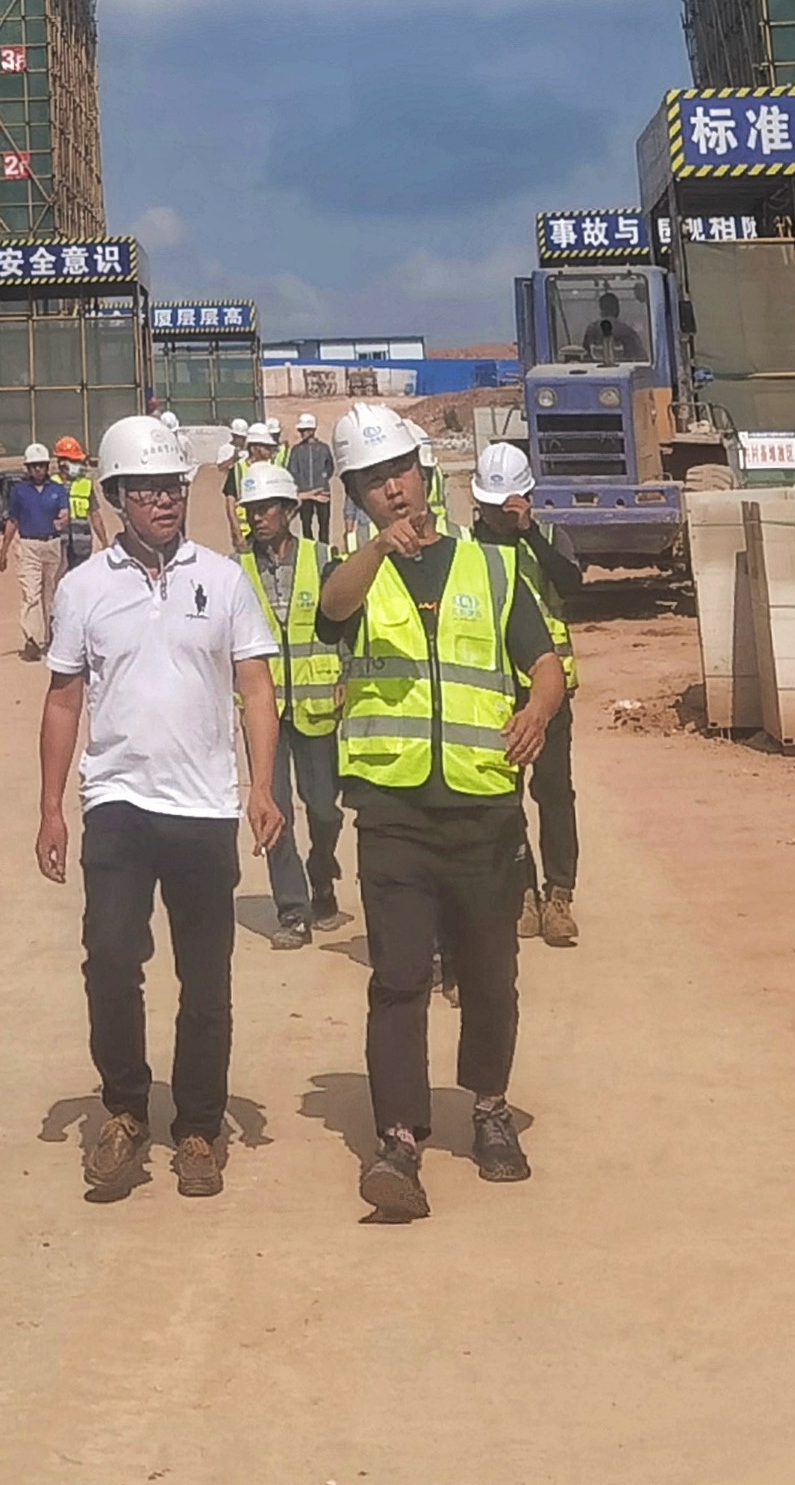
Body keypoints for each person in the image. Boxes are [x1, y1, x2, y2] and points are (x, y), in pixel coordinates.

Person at [314, 402, 565, 1223]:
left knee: (490, 973)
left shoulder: (491, 568)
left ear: (422, 473)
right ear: (355, 495)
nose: (391, 489)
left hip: (482, 807)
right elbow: (333, 610)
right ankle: (397, 1139)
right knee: (398, 978)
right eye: (371, 481)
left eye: (398, 472)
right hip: (392, 811)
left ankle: (488, 1109)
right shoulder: (357, 573)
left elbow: (543, 661)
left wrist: (538, 709)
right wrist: (376, 550)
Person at [36, 416, 282, 1203]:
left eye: (172, 485)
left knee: (205, 975)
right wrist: (50, 808)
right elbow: (63, 699)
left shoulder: (224, 579)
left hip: (203, 805)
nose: (164, 499)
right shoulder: (83, 588)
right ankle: (124, 1109)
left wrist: (262, 787)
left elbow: (255, 688)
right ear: (116, 496)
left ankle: (199, 1126)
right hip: (117, 800)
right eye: (145, 489)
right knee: (110, 956)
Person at [468, 442, 585, 948]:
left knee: (554, 793)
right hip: (495, 692)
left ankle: (559, 894)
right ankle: (521, 893)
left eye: (507, 507)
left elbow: (572, 585)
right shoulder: (467, 548)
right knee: (503, 798)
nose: (499, 517)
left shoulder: (550, 538)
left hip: (551, 691)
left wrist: (529, 532)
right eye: (491, 508)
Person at [236, 458, 347, 945]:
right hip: (264, 712)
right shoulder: (236, 570)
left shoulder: (323, 559)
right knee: (274, 805)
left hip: (318, 705)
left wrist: (347, 674)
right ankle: (293, 910)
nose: (258, 518)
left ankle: (322, 870)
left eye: (266, 508)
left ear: (288, 510)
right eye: (252, 510)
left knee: (324, 808)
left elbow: (346, 620)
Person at [0, 441, 71, 661]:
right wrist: (3, 551)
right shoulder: (19, 492)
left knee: (51, 594)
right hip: (28, 545)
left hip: (52, 545)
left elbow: (65, 513)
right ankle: (32, 639)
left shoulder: (57, 490)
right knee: (31, 594)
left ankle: (50, 638)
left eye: (41, 465)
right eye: (34, 466)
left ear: (47, 467)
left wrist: (63, 520)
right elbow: (13, 520)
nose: (38, 469)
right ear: (28, 468)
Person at [56, 436, 105, 568]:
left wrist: (104, 543)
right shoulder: (52, 484)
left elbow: (95, 516)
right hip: (58, 545)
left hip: (82, 544)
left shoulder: (85, 484)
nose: (78, 465)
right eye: (74, 461)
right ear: (62, 463)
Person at [288, 413, 335, 546]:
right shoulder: (296, 450)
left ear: (312, 430)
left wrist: (322, 479)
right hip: (305, 494)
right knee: (306, 525)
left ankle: (324, 548)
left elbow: (330, 467)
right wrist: (301, 486)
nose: (302, 433)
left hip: (322, 492)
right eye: (301, 430)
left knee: (324, 525)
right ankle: (309, 549)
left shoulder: (323, 448)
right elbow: (292, 470)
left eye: (304, 430)